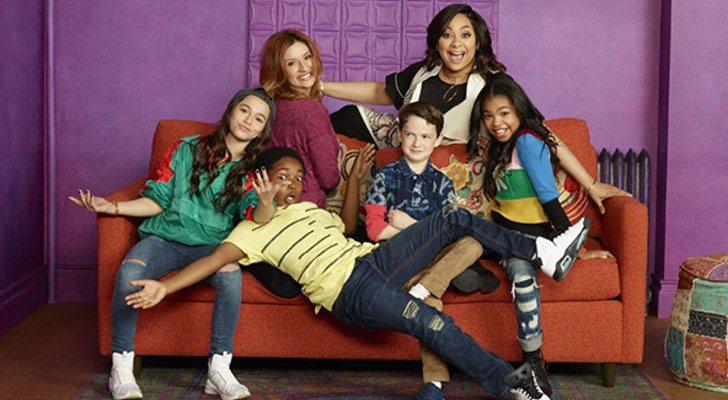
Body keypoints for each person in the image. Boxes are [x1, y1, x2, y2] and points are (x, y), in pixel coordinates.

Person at [123, 147, 594, 400]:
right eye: (280, 177)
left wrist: (352, 182)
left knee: (453, 218)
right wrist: (164, 285)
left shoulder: (310, 210)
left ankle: (543, 253)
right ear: (259, 181)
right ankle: (512, 385)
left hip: (370, 261)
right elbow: (209, 262)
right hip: (349, 293)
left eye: (296, 177)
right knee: (433, 323)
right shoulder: (249, 232)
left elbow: (348, 226)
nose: (291, 185)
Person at [68, 87, 286, 400]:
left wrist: (265, 201)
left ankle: (219, 370)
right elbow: (157, 200)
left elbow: (258, 217)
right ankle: (121, 368)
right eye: (244, 110)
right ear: (231, 110)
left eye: (259, 119)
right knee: (129, 273)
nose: (248, 120)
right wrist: (113, 207)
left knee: (230, 274)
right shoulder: (186, 148)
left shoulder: (254, 172)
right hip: (164, 239)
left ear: (263, 131)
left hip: (210, 248)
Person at [323, 3, 627, 213]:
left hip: (452, 169)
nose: (456, 44)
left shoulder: (493, 83)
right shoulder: (423, 72)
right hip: (408, 143)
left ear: (478, 42)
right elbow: (381, 91)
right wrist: (321, 88)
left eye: (465, 35)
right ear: (437, 42)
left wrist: (591, 184)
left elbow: (540, 133)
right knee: (344, 117)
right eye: (447, 35)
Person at [455, 73, 615, 396]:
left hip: (530, 240)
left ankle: (533, 361)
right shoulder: (499, 146)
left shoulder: (528, 141)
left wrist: (576, 248)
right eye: (488, 116)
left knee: (521, 275)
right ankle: (473, 271)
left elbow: (548, 197)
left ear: (519, 109)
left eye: (504, 113)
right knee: (462, 238)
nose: (496, 123)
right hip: (502, 232)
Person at [364, 101, 500, 399]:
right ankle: (435, 383)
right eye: (410, 134)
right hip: (399, 259)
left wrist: (409, 224)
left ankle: (426, 286)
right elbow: (374, 230)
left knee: (473, 243)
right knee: (431, 306)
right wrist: (421, 232)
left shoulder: (442, 183)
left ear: (438, 140)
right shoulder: (385, 177)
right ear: (400, 135)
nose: (417, 143)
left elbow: (452, 236)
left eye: (425, 136)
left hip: (435, 260)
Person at [260, 29, 341, 208]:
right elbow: (329, 179)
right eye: (292, 63)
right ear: (278, 70)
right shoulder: (311, 110)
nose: (304, 68)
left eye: (307, 57)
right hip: (305, 207)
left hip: (272, 206)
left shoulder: (271, 106)